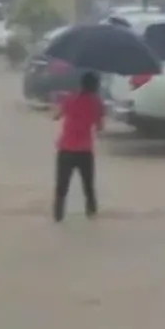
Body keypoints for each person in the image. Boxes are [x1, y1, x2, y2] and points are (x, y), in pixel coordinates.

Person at [52, 71, 104, 223]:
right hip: (85, 151)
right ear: (95, 86)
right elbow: (100, 128)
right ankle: (92, 214)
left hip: (66, 149)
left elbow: (56, 116)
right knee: (88, 186)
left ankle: (58, 216)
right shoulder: (97, 103)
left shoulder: (70, 98)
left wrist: (58, 102)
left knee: (61, 186)